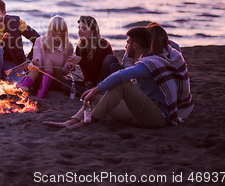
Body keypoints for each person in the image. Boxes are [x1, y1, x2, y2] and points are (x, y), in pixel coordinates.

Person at [47, 27, 193, 129]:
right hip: (140, 112)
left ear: (135, 45)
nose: (125, 46)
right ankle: (70, 122)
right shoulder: (146, 60)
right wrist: (96, 92)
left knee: (121, 85)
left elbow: (122, 75)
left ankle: (86, 123)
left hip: (157, 117)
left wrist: (96, 89)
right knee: (99, 97)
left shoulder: (149, 64)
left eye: (128, 42)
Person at [0, 0, 39, 84]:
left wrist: (28, 61)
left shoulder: (16, 22)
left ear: (4, 13)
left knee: (19, 87)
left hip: (14, 65)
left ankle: (6, 79)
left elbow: (37, 39)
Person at [19, 16, 75, 98]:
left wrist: (68, 67)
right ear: (50, 30)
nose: (59, 33)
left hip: (59, 81)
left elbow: (64, 72)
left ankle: (41, 94)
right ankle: (21, 91)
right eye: (55, 30)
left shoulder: (69, 46)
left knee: (49, 62)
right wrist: (35, 62)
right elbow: (39, 62)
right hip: (41, 80)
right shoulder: (40, 41)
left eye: (62, 31)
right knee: (35, 68)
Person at [69, 15, 119, 95]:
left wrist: (81, 61)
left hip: (103, 81)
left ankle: (96, 92)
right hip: (91, 84)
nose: (79, 32)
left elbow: (96, 70)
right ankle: (91, 92)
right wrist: (72, 65)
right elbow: (87, 73)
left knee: (110, 58)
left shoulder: (103, 44)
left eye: (84, 29)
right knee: (65, 84)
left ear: (92, 30)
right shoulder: (80, 47)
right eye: (79, 28)